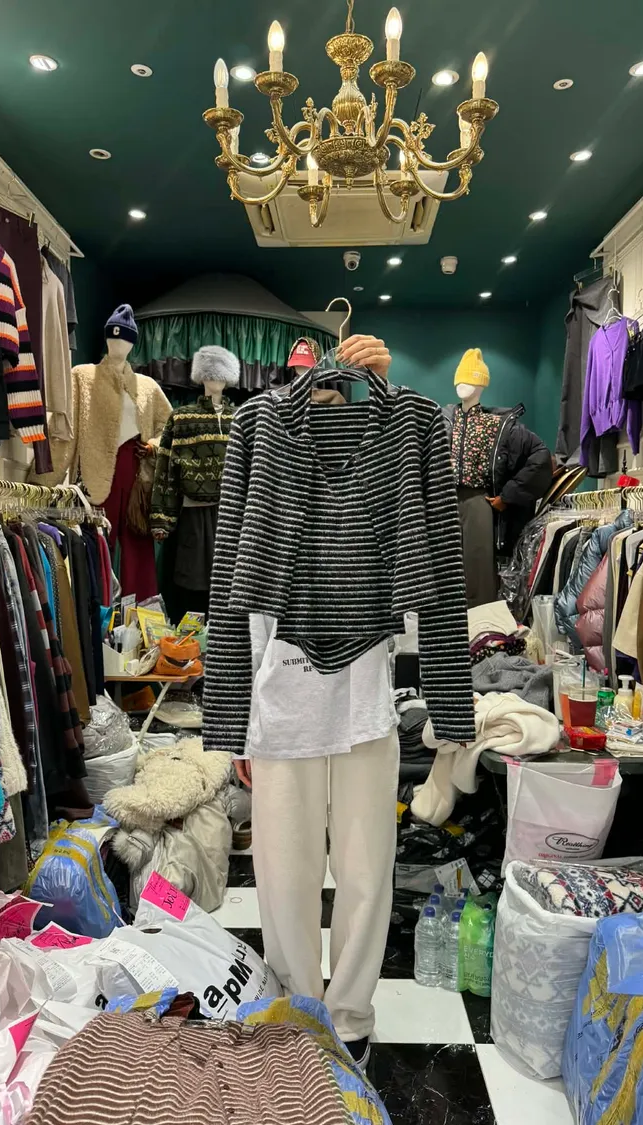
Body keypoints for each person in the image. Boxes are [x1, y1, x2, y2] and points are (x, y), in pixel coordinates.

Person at [234, 333, 397, 1071]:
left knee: (366, 874)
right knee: (284, 878)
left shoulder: (388, 443)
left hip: (365, 705)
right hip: (282, 704)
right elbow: (232, 591)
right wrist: (235, 721)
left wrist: (386, 384)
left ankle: (351, 1015)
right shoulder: (258, 438)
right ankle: (301, 1012)